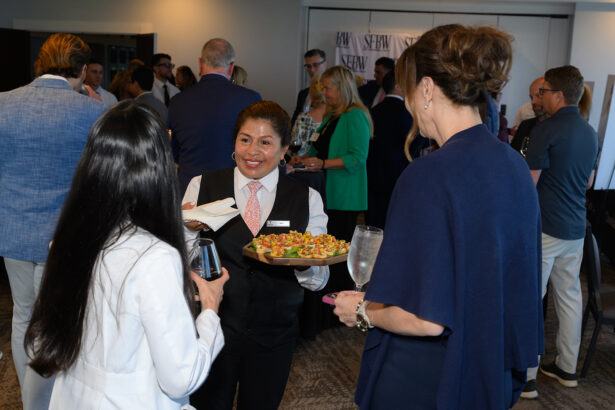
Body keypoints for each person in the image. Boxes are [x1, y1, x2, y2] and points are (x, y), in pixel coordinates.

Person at [333, 24, 543, 409]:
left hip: (430, 377)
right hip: (487, 372)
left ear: (426, 89)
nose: (410, 106)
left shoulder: (428, 175)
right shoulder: (513, 165)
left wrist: (361, 311)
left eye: (410, 93)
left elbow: (425, 318)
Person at [24, 100, 228, 409]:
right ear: (157, 168)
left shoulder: (70, 237)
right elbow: (181, 377)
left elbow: (49, 337)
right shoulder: (155, 257)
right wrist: (210, 309)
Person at [182, 101, 329, 410]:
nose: (252, 151)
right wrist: (189, 230)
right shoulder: (203, 185)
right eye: (245, 140)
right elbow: (182, 262)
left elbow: (318, 281)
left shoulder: (307, 198)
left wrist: (304, 262)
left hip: (274, 335)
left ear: (284, 148)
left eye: (265, 142)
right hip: (213, 332)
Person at [0, 32, 106, 407]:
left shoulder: (2, 104)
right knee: (55, 325)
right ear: (81, 70)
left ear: (39, 64)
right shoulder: (93, 112)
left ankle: (32, 403)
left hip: (12, 231)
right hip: (64, 237)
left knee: (22, 316)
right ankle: (43, 402)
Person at [523, 65, 599, 399]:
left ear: (558, 94)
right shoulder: (590, 132)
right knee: (569, 297)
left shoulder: (546, 130)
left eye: (543, 91)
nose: (539, 97)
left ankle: (525, 376)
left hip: (545, 227)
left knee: (530, 297)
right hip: (575, 228)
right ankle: (566, 368)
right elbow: (587, 183)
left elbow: (530, 184)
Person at [300, 65, 372, 302]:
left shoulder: (355, 115)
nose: (324, 93)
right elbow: (318, 147)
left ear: (342, 88)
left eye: (328, 88)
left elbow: (357, 157)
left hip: (344, 196)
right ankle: (325, 299)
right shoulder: (332, 116)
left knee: (339, 254)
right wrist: (301, 160)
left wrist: (322, 164)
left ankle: (341, 301)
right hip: (325, 191)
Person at [169, 38, 261, 194]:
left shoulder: (178, 101)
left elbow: (173, 151)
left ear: (200, 63)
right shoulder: (250, 99)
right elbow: (257, 149)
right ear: (231, 66)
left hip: (190, 191)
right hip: (234, 191)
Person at [365, 71, 426, 229]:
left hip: (373, 174)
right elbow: (416, 140)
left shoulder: (373, 111)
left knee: (374, 223)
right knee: (395, 222)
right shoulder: (406, 112)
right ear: (398, 86)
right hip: (399, 174)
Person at [288, 74, 326, 159]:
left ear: (311, 93)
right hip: (328, 166)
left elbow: (294, 144)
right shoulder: (337, 117)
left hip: (302, 165)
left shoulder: (302, 118)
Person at [510, 77, 548, 155]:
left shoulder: (559, 129)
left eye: (538, 96)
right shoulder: (525, 126)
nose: (533, 101)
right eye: (531, 97)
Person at [292, 49, 328, 125]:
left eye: (316, 65)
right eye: (308, 66)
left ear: (325, 64)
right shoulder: (303, 94)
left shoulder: (335, 92)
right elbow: (293, 122)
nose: (312, 70)